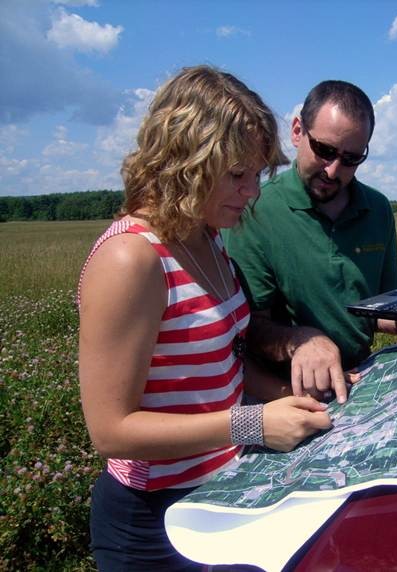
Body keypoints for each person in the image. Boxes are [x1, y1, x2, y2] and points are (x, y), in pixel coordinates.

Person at [77, 65, 332, 571]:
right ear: (184, 162)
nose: (253, 191)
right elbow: (110, 430)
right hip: (151, 522)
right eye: (237, 174)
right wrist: (252, 425)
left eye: (257, 175)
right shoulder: (132, 259)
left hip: (218, 489)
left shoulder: (207, 238)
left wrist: (297, 398)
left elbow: (221, 367)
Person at [224, 80, 397, 405]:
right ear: (297, 131)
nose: (334, 170)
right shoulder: (255, 210)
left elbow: (380, 314)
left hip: (360, 383)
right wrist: (299, 340)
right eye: (324, 151)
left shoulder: (377, 208)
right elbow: (245, 332)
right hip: (284, 397)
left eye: (351, 158)